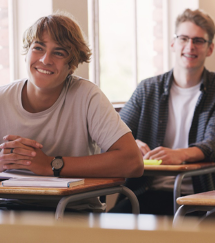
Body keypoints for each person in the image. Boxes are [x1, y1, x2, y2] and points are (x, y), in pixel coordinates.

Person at [0, 12, 144, 209]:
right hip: (8, 207)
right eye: (38, 48)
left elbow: (133, 162)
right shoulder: (2, 98)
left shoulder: (87, 96)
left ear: (72, 65)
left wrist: (50, 165)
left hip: (73, 210)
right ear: (27, 53)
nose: (45, 59)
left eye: (59, 53)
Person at [112, 8, 215, 215]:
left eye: (198, 41)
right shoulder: (147, 88)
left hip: (198, 194)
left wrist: (180, 155)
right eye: (184, 38)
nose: (190, 46)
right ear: (172, 43)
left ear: (210, 48)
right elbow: (115, 133)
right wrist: (131, 143)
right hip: (145, 190)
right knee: (107, 227)